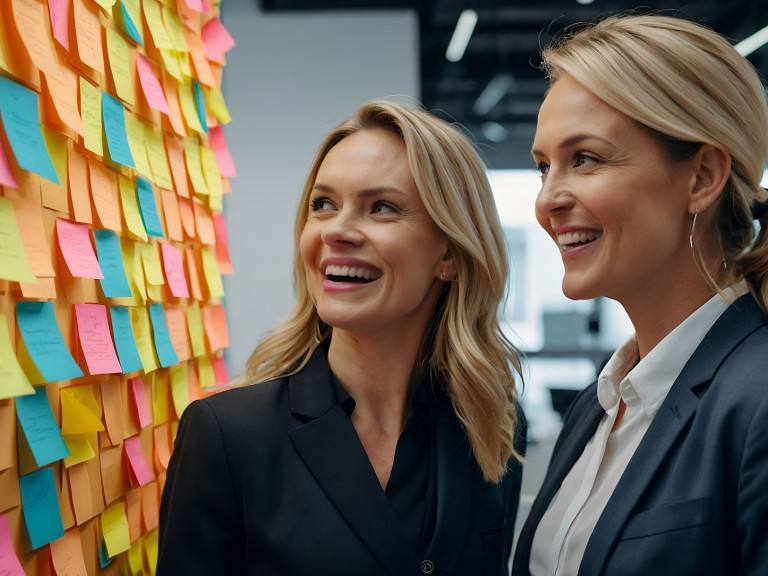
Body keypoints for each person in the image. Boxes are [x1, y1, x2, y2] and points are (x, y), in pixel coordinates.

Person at [157, 100, 526, 575]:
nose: (337, 230)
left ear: (449, 254)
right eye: (323, 204)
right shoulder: (228, 435)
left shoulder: (491, 425)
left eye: (382, 207)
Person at [511, 13, 768, 576]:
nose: (548, 199)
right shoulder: (597, 406)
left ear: (701, 177)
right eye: (542, 167)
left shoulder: (756, 397)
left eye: (586, 159)